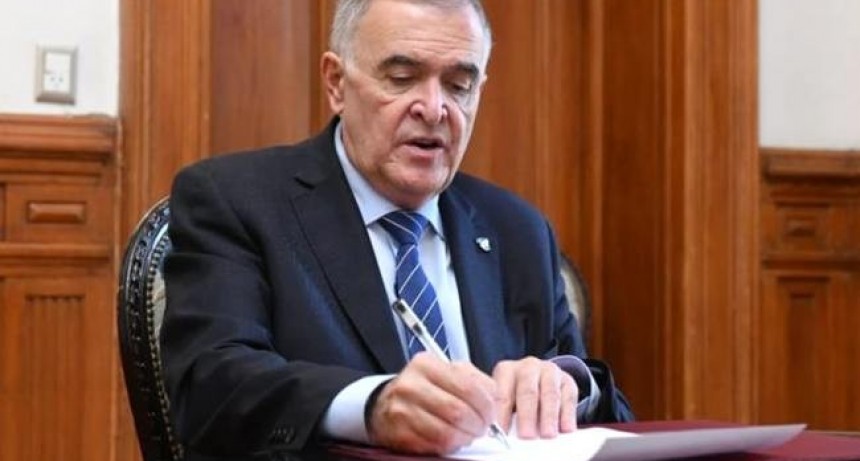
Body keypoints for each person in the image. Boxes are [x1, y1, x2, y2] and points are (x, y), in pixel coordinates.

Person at [160, 0, 634, 459]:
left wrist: (567, 385)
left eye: (459, 85)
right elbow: (211, 384)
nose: (434, 108)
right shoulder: (237, 202)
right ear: (336, 83)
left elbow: (610, 414)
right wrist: (372, 406)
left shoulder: (517, 230)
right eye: (402, 79)